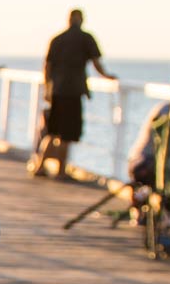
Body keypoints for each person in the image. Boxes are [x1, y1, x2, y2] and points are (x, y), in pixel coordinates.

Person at [34, 10, 112, 179]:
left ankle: (40, 166)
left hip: (57, 90)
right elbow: (96, 63)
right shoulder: (86, 38)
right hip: (73, 91)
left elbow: (47, 66)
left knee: (52, 131)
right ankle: (61, 171)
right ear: (81, 20)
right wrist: (107, 76)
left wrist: (47, 88)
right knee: (67, 134)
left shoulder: (57, 39)